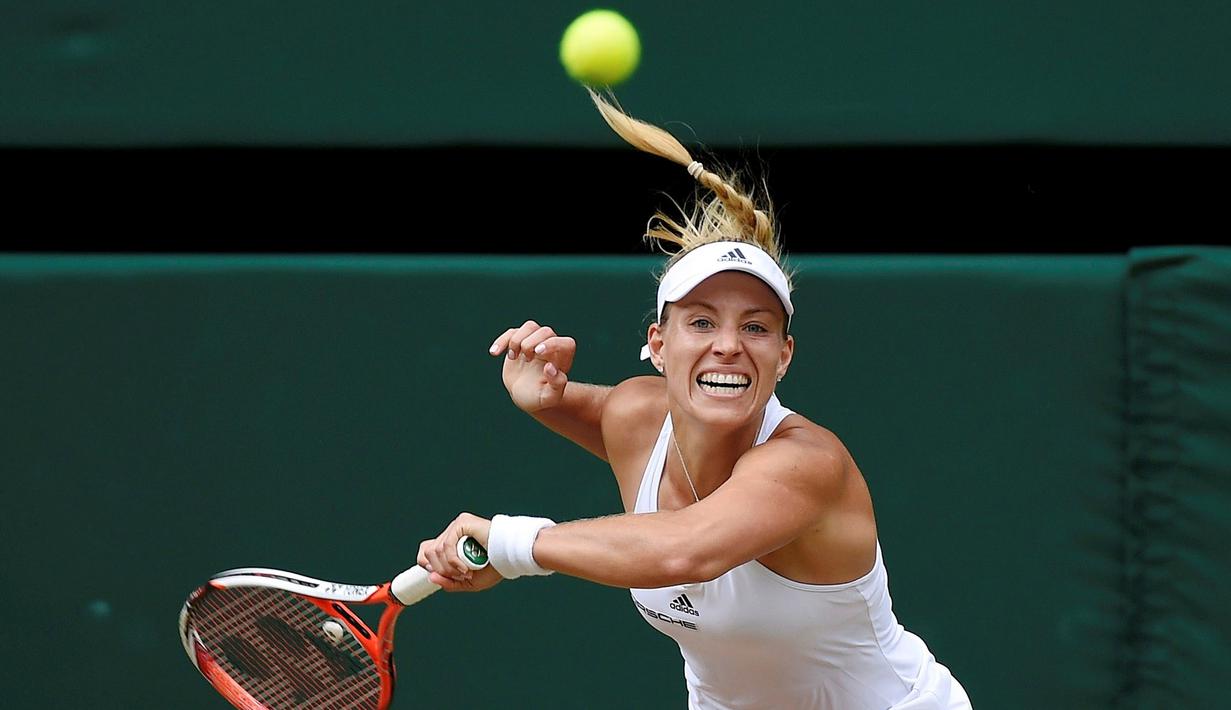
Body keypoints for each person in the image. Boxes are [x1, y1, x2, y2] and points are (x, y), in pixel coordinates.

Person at [418, 90, 971, 710]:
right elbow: (589, 410)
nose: (728, 346)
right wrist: (543, 397)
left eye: (755, 328)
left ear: (784, 356)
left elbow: (686, 549)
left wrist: (509, 545)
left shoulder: (806, 465)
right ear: (658, 344)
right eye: (702, 322)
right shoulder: (633, 417)